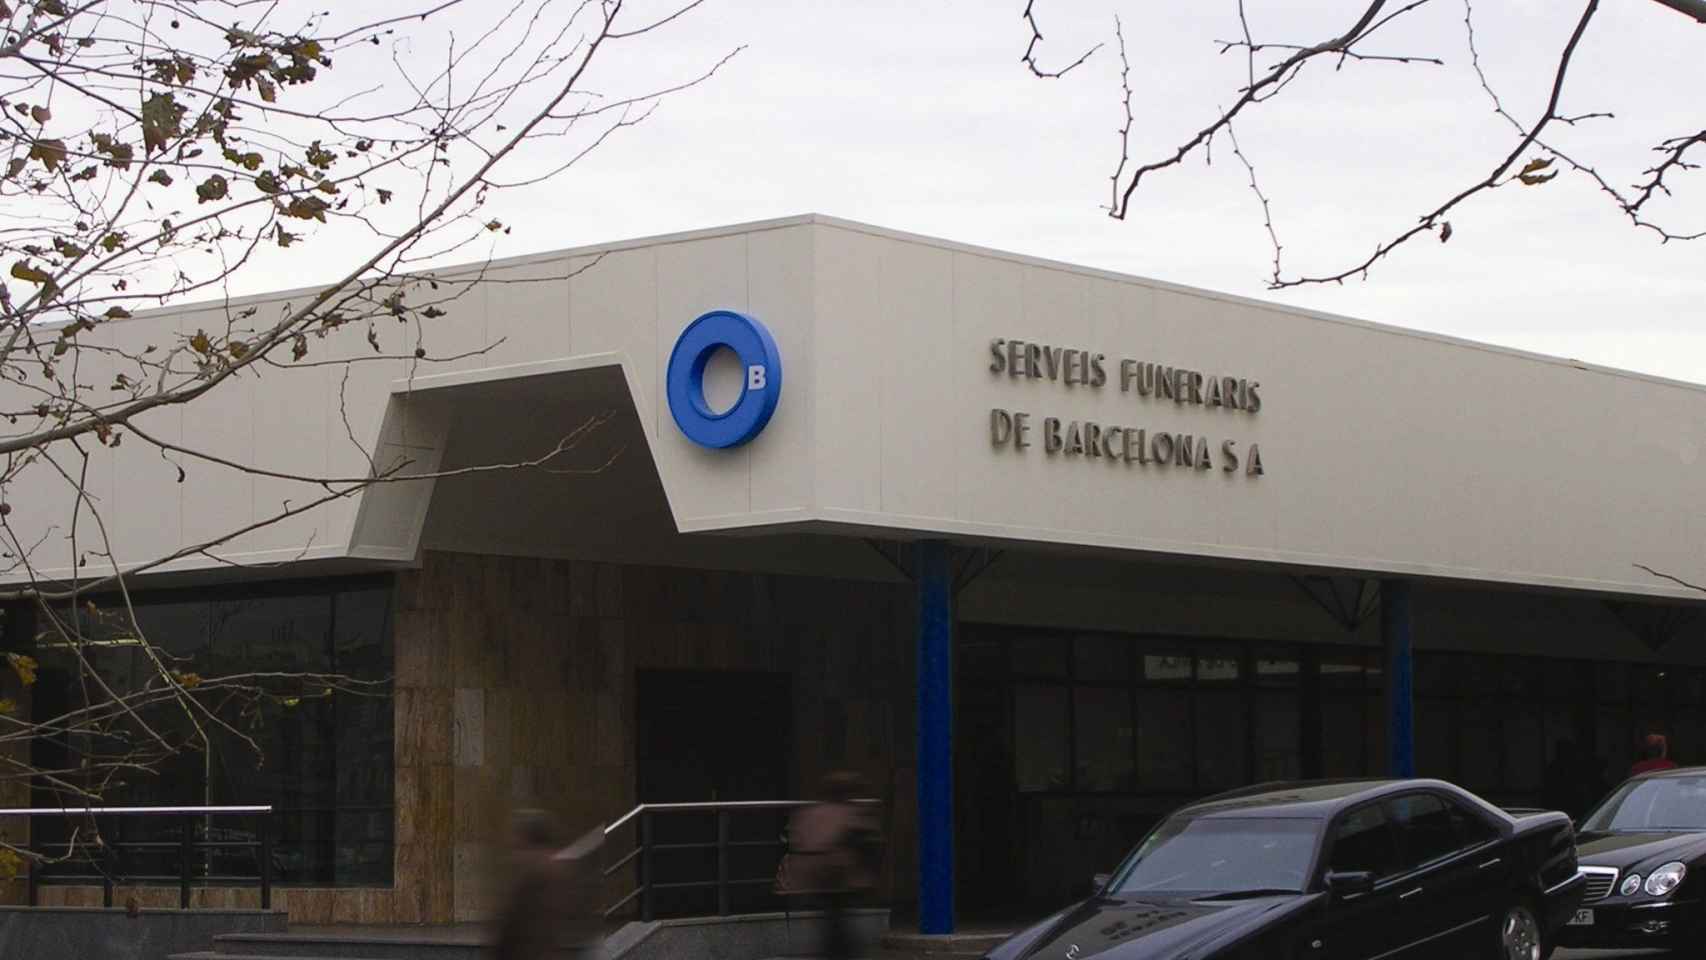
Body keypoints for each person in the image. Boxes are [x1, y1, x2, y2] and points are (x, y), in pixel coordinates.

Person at [777, 773, 882, 960]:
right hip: (838, 876)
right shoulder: (850, 813)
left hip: (812, 878)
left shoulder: (812, 812)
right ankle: (841, 951)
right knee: (838, 919)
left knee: (832, 918)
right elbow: (867, 843)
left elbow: (797, 839)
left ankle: (834, 950)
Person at [489, 809, 605, 960]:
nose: (514, 854)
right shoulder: (557, 872)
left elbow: (517, 929)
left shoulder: (537, 874)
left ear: (530, 842)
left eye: (518, 845)